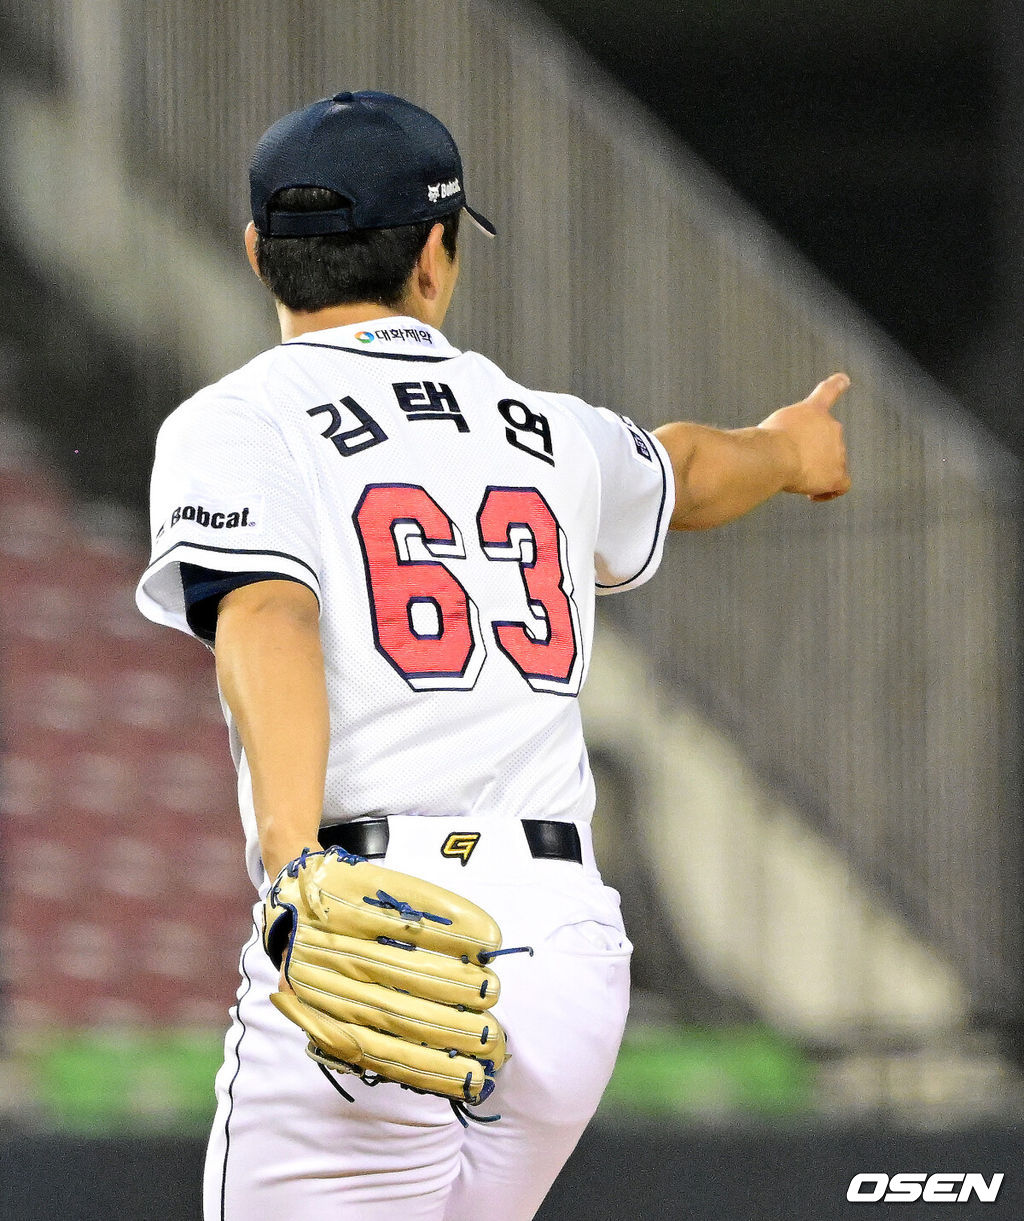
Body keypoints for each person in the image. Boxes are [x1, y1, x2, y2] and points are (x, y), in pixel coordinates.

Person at [136, 90, 849, 1221]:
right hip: (566, 953)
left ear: (257, 254)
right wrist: (789, 447)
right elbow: (688, 468)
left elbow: (268, 618)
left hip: (383, 923)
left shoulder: (239, 423)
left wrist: (295, 877)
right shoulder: (550, 428)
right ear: (436, 254)